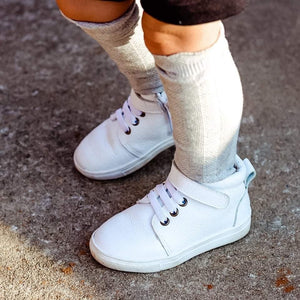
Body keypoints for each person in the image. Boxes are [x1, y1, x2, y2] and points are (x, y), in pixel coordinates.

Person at [56, 0, 256, 272]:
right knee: (89, 3)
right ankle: (160, 100)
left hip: (211, 193)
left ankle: (213, 187)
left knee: (178, 25)